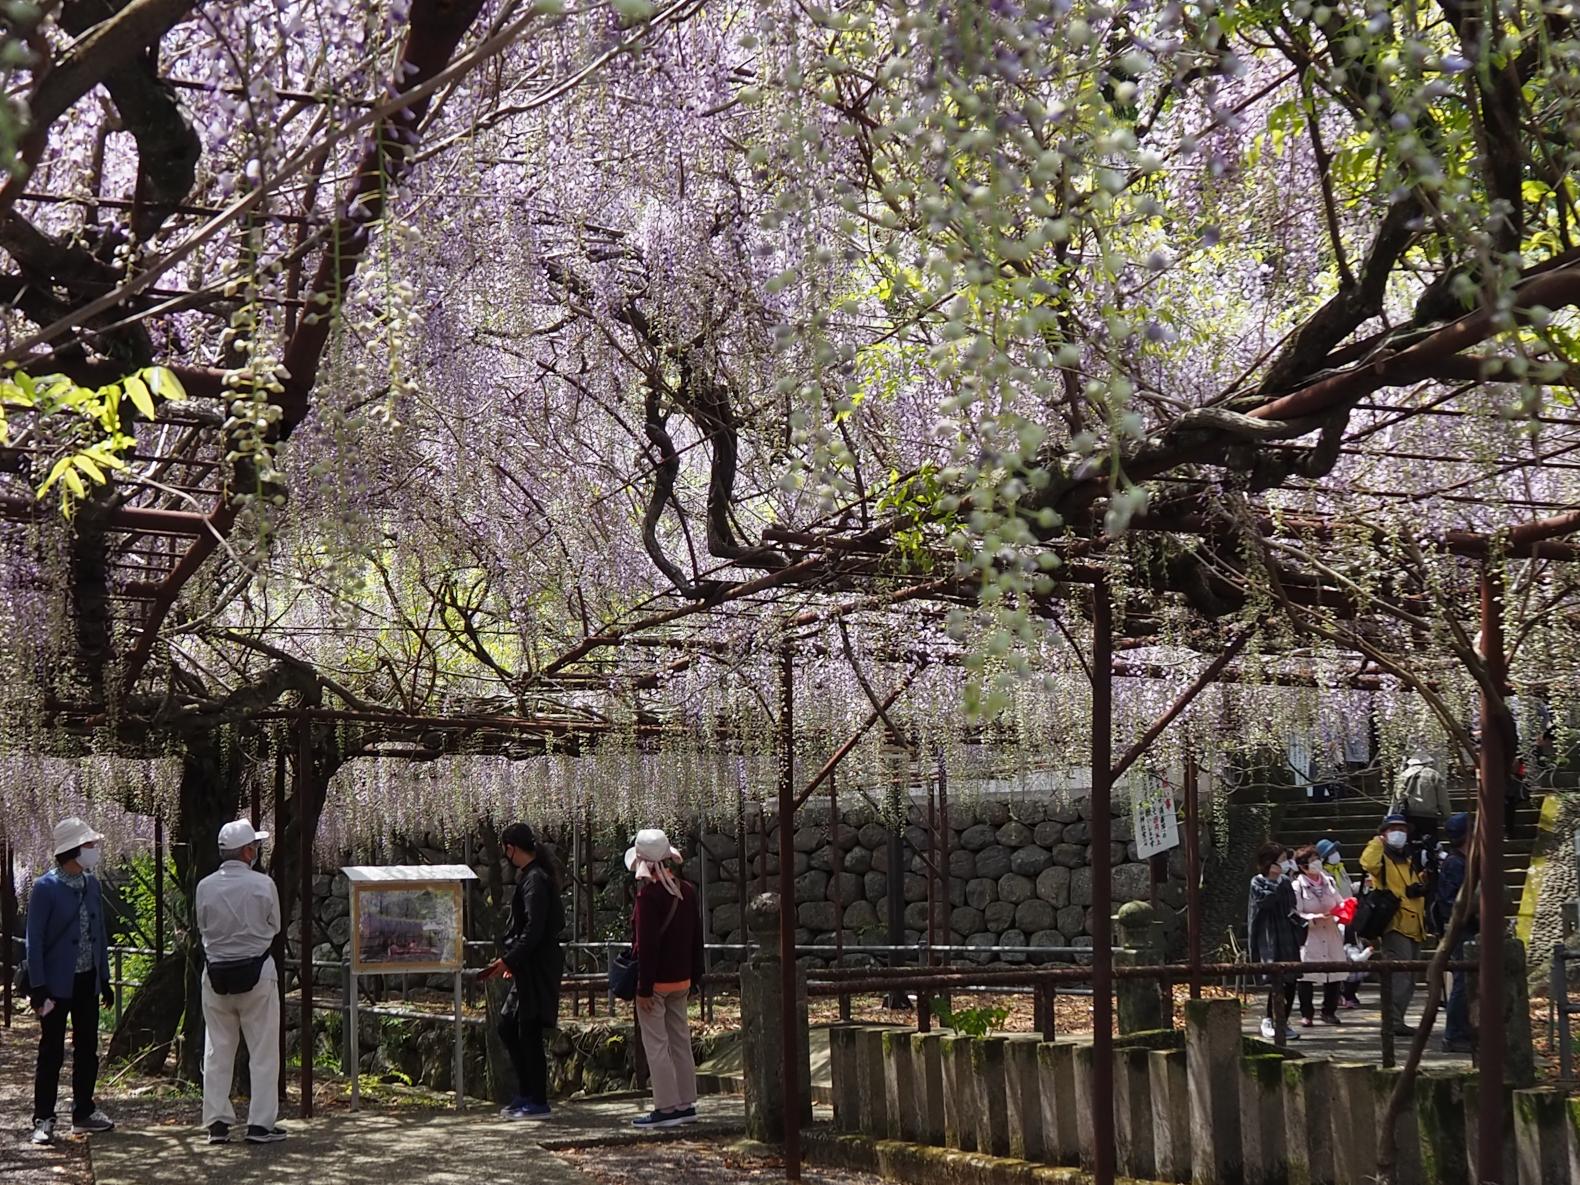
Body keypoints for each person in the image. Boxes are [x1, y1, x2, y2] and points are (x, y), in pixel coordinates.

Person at [27, 817, 115, 1146]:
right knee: (51, 1051)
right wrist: (38, 986)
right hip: (54, 983)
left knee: (87, 1049)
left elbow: (99, 934)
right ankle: (44, 1119)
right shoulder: (45, 887)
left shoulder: (92, 884)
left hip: (87, 979)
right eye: (89, 845)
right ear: (73, 850)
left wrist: (104, 979)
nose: (94, 850)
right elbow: (34, 939)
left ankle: (83, 1112)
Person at [195, 820, 284, 1145]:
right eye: (255, 847)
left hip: (216, 974)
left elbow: (202, 926)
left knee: (217, 1050)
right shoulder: (263, 884)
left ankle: (217, 1123)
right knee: (262, 1050)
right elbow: (274, 926)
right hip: (257, 974)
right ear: (248, 851)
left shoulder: (205, 886)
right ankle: (260, 1125)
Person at [480, 822, 565, 1120]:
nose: (506, 855)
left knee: (528, 1030)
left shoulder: (536, 880)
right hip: (527, 963)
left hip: (538, 964)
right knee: (508, 1025)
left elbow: (534, 928)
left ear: (511, 848)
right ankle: (527, 1092)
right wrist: (513, 962)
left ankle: (538, 1100)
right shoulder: (530, 878)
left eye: (506, 849)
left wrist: (509, 961)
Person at [627, 828, 705, 1128]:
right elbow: (696, 938)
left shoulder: (648, 898)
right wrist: (696, 976)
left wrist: (643, 988)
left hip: (656, 984)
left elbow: (648, 947)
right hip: (682, 980)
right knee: (680, 1041)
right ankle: (686, 1103)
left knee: (657, 1044)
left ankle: (666, 1108)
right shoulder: (688, 891)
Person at [1360, 814, 1430, 1037]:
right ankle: (1391, 1021)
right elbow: (1367, 863)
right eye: (1393, 829)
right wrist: (1377, 841)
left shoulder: (1408, 858)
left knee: (1409, 978)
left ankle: (1398, 1019)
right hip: (1396, 923)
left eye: (1403, 829)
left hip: (1416, 923)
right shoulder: (1382, 858)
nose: (1399, 833)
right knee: (1398, 977)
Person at [1247, 842, 1303, 1042]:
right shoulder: (1258, 882)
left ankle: (1284, 1021)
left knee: (1291, 980)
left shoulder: (1286, 882)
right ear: (1270, 863)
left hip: (1287, 934)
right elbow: (1265, 902)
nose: (1286, 864)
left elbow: (1291, 905)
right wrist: (1276, 883)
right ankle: (1270, 1019)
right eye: (1281, 860)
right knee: (1276, 979)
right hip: (1269, 936)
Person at [1432, 812, 1477, 1053]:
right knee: (1461, 980)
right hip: (1462, 929)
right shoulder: (1455, 863)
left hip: (1470, 927)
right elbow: (1452, 902)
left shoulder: (1465, 861)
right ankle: (1454, 1033)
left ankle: (1465, 1029)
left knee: (1467, 980)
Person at [1291, 845, 1345, 1025]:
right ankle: (1307, 1013)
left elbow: (1339, 901)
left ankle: (1329, 1011)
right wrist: (1314, 917)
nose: (1317, 863)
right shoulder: (1297, 886)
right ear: (1302, 866)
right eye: (1312, 861)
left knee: (1334, 973)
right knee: (1307, 976)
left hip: (1331, 931)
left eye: (1317, 859)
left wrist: (1344, 910)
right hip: (1310, 934)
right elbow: (1296, 912)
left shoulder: (1328, 880)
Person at [1316, 838, 1363, 1008]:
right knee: (1337, 957)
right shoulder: (1324, 876)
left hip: (1350, 917)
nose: (1336, 855)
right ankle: (1338, 994)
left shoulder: (1341, 870)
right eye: (1331, 853)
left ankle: (1350, 992)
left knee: (1355, 954)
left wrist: (1362, 886)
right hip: (1335, 919)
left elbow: (1349, 889)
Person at [1393, 754, 1450, 848]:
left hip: (1409, 815)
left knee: (1412, 844)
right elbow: (1442, 797)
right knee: (1430, 844)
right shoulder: (1434, 774)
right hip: (1429, 816)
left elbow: (1398, 796)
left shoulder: (1404, 774)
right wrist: (1446, 815)